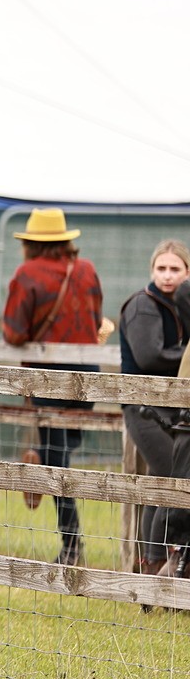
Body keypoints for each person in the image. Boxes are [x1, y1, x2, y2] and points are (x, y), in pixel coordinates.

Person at [2, 208, 103, 566]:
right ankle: (71, 544)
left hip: (48, 378)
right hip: (89, 375)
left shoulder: (27, 274)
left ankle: (72, 545)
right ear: (66, 240)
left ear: (30, 243)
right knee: (65, 448)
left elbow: (13, 332)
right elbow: (95, 318)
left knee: (57, 458)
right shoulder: (87, 270)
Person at [119, 240, 189, 577]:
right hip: (143, 408)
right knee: (167, 481)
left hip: (174, 412)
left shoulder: (179, 307)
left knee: (159, 481)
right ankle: (155, 564)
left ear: (187, 273)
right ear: (151, 271)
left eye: (175, 268)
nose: (167, 275)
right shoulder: (142, 306)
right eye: (161, 268)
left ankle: (155, 563)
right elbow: (150, 356)